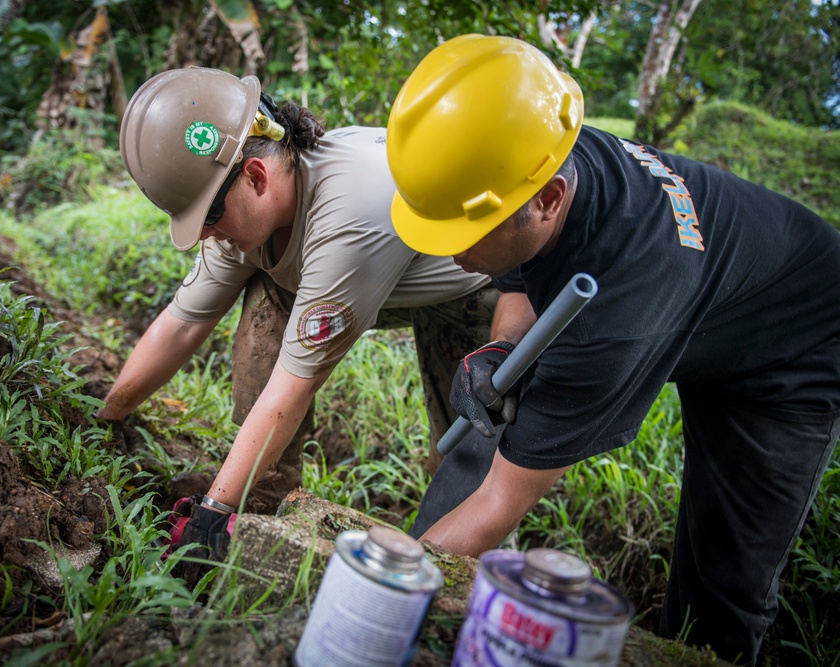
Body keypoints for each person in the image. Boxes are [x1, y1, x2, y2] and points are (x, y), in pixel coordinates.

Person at [385, 34, 840, 666]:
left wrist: (384, 603)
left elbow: (499, 504)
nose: (448, 252)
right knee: (496, 417)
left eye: (466, 233)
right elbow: (521, 265)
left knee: (722, 579)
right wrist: (505, 348)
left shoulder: (614, 315)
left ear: (548, 201)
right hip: (712, 288)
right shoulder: (543, 148)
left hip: (798, 347)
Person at [97, 66, 501, 568]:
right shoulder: (240, 210)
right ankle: (262, 494)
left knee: (467, 442)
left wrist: (209, 515)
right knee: (267, 289)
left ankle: (437, 582)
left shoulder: (348, 208)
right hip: (356, 268)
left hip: (470, 287)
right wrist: (107, 418)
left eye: (207, 219)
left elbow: (296, 383)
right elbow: (181, 324)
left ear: (256, 176)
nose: (204, 235)